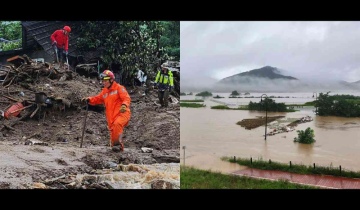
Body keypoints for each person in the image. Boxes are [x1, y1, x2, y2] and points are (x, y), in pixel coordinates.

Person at [82, 70, 131, 152]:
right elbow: (97, 99)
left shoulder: (119, 88)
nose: (103, 82)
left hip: (122, 113)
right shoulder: (105, 91)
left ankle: (118, 145)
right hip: (111, 117)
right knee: (113, 134)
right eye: (102, 81)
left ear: (111, 80)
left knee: (117, 124)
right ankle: (117, 154)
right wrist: (89, 99)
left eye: (105, 81)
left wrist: (124, 105)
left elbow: (126, 98)